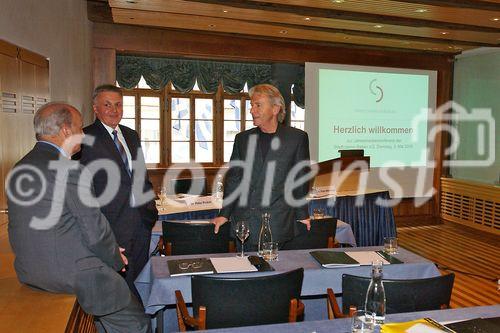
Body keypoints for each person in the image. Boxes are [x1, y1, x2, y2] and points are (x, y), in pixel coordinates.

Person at [7, 103, 151, 332]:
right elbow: (94, 230)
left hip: (31, 272)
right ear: (66, 131)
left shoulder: (20, 166)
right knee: (138, 322)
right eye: (79, 128)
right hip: (74, 276)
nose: (83, 134)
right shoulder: (71, 170)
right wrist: (115, 257)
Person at [76, 85, 158, 299]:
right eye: (107, 105)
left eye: (118, 104)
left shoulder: (131, 135)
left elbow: (141, 176)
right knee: (117, 286)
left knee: (140, 280)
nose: (114, 110)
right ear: (95, 108)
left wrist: (151, 210)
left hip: (141, 221)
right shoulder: (84, 137)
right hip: (110, 224)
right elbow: (81, 187)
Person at [212, 84, 312, 250]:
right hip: (245, 224)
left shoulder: (296, 138)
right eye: (252, 105)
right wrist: (224, 214)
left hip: (278, 223)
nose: (252, 110)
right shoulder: (242, 139)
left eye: (258, 105)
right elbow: (234, 180)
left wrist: (302, 215)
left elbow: (300, 181)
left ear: (275, 109)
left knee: (276, 273)